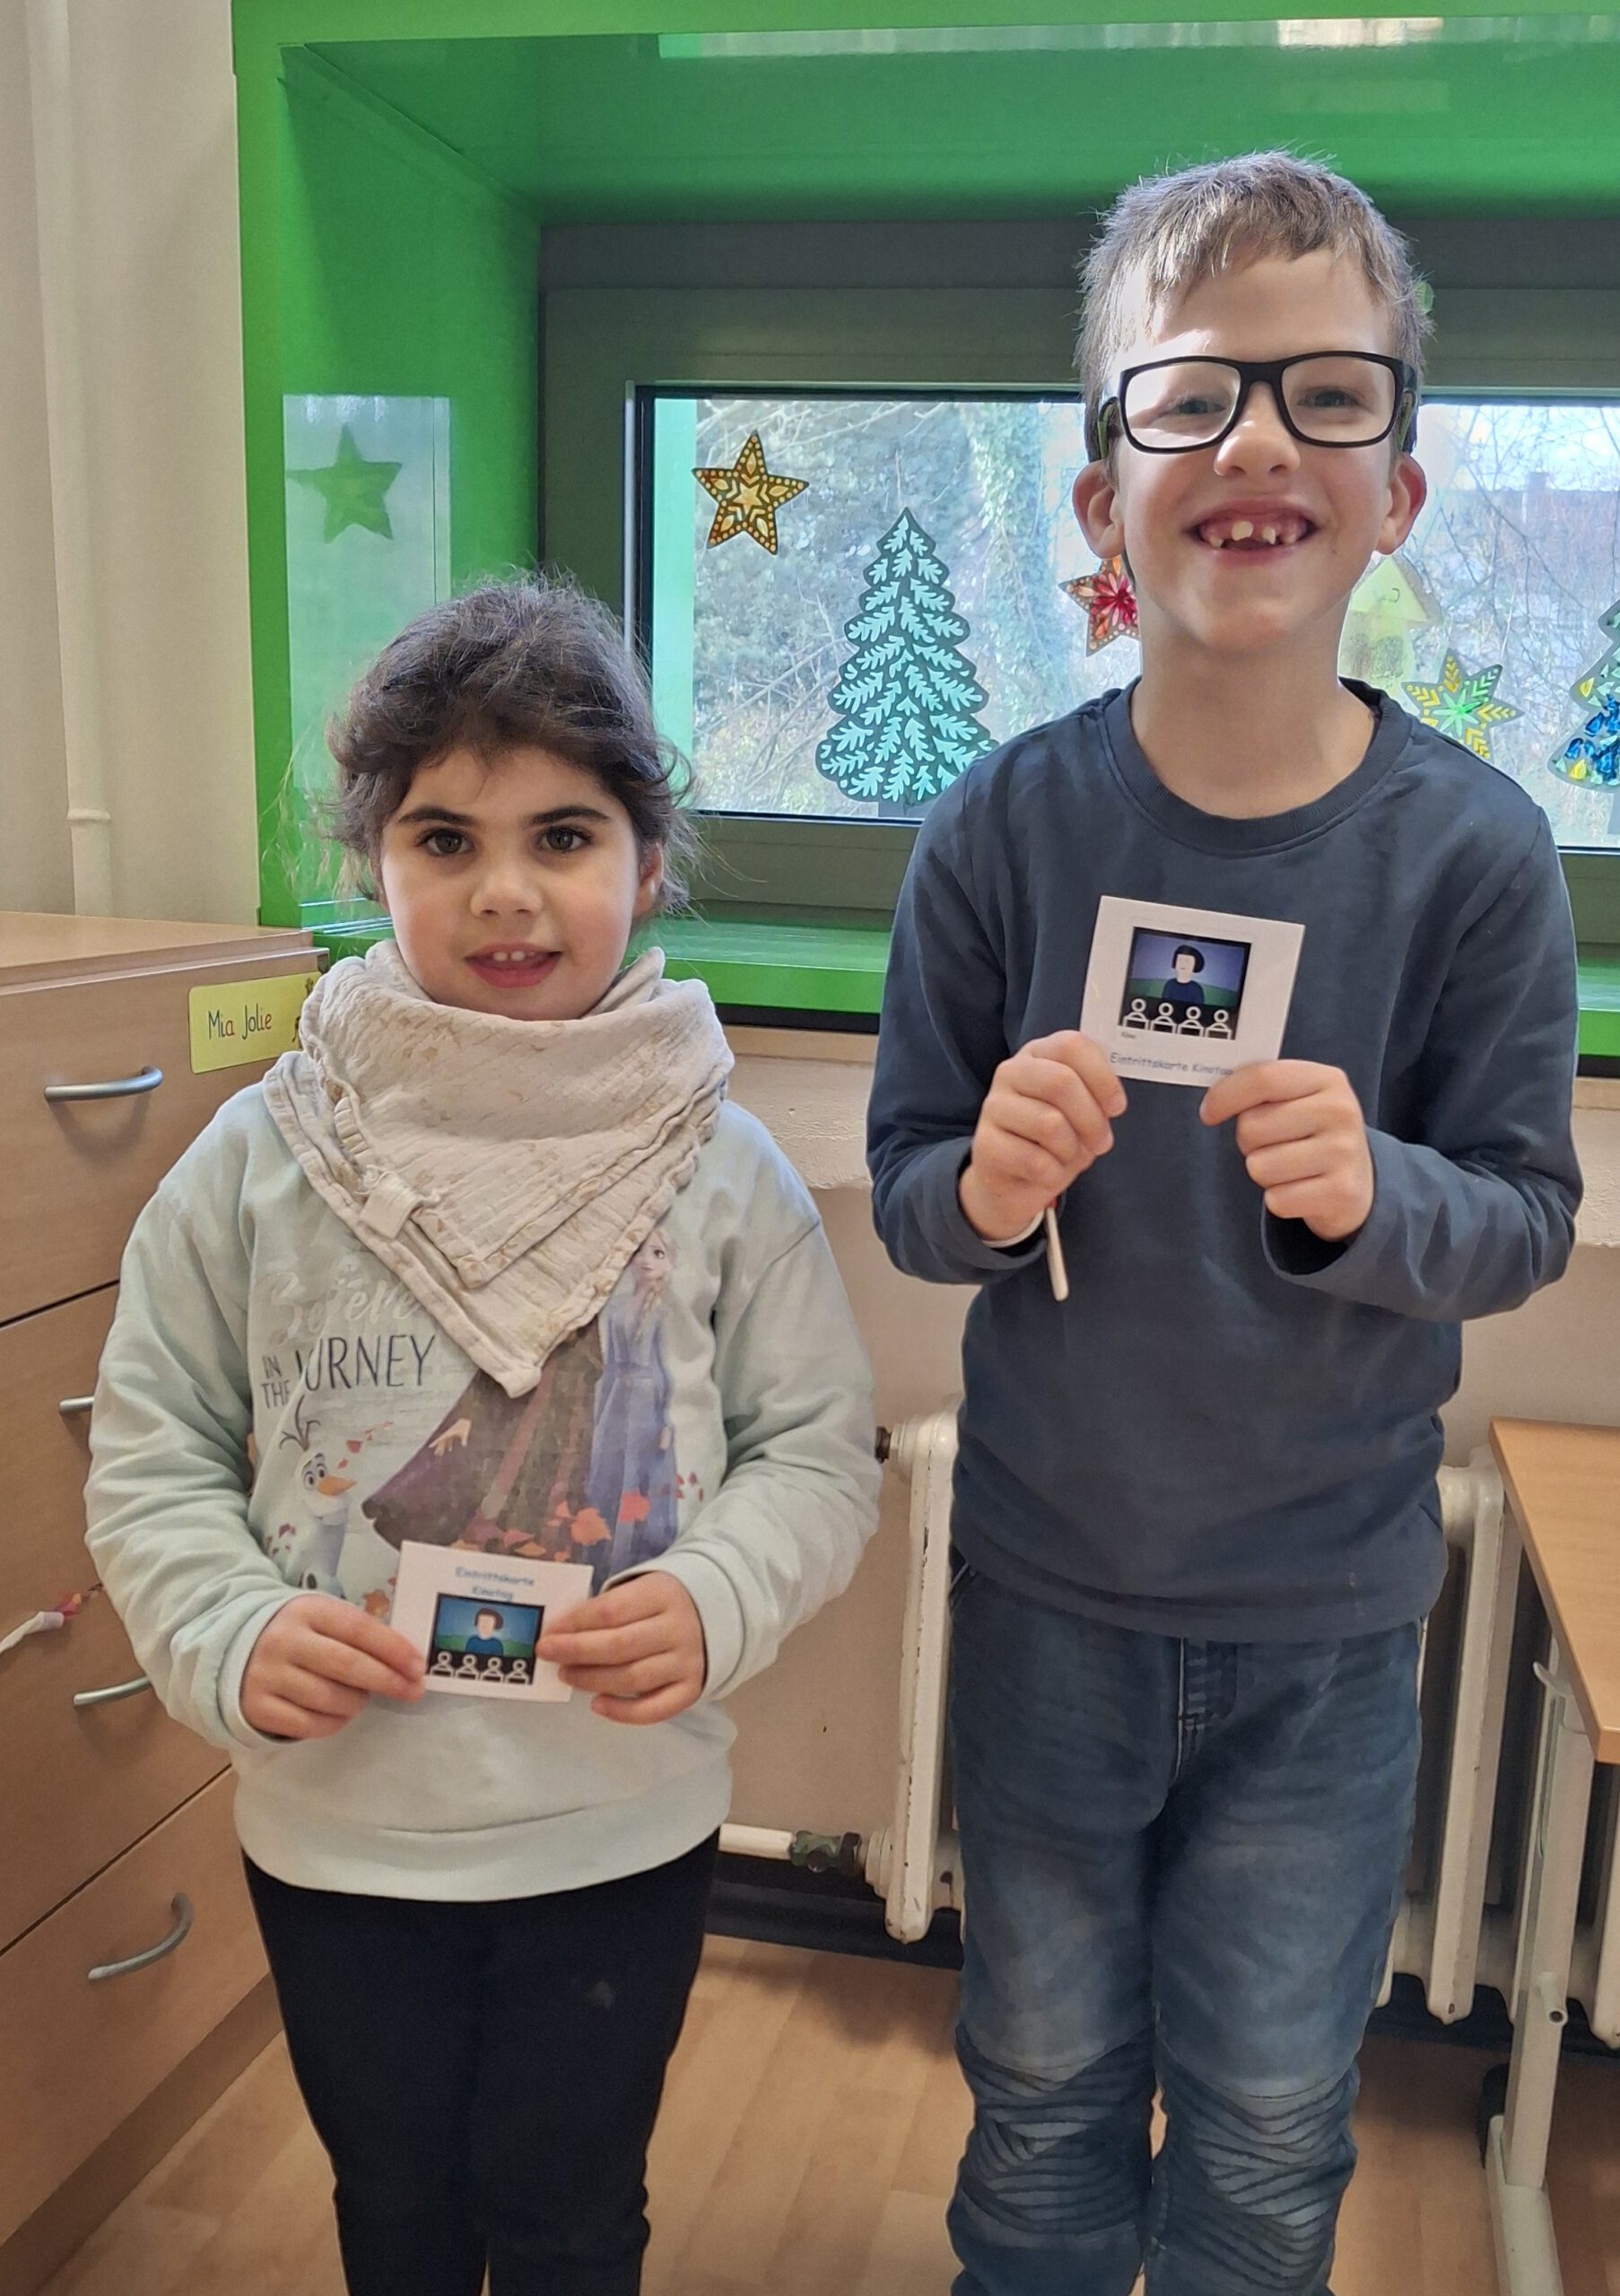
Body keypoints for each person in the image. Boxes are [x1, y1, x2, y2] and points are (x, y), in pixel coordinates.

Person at [867, 152, 1581, 2296]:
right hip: (1046, 1601)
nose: (1259, 440)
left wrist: (1378, 1194)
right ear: (1102, 497)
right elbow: (911, 1190)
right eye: (1192, 397)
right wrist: (984, 1186)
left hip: (1329, 1629)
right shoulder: (1001, 825)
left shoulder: (1475, 853)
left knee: (1272, 2126)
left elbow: (1525, 1214)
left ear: (1399, 491)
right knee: (1040, 2087)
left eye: (1326, 394)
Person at [86, 579, 881, 2296]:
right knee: (396, 2211)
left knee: (571, 2214)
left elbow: (817, 1450)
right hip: (340, 1830)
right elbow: (154, 1451)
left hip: (617, 1827)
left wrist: (715, 1598)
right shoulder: (262, 1158)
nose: (505, 891)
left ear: (646, 864)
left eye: (562, 836)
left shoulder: (718, 1164)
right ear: (373, 859)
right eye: (443, 838)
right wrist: (225, 1629)